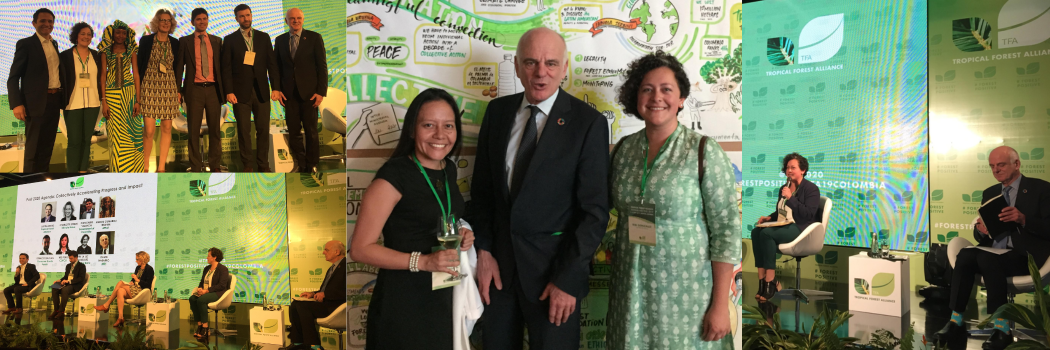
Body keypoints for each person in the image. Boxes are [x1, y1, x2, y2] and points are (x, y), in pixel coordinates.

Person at [467, 27, 609, 350]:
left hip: (554, 280)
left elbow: (594, 213)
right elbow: (483, 194)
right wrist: (485, 251)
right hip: (498, 277)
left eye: (551, 63)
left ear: (565, 67)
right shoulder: (497, 113)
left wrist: (568, 280)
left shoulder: (588, 124)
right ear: (516, 66)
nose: (541, 72)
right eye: (530, 62)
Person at [605, 51, 740, 348]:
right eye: (647, 89)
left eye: (666, 89)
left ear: (681, 99)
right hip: (631, 291)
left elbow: (726, 231)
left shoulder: (703, 150)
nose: (657, 97)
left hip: (687, 297)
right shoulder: (623, 150)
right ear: (636, 97)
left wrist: (720, 305)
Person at [349, 88, 476, 350]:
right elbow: (360, 249)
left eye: (448, 126)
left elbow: (437, 218)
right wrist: (424, 261)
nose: (440, 135)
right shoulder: (394, 176)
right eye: (429, 125)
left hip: (443, 299)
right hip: (403, 305)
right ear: (411, 130)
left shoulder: (447, 169)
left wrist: (462, 233)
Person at [932, 146, 1050, 350]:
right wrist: (981, 231)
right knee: (966, 254)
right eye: (992, 166)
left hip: (1024, 257)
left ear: (1017, 164)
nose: (996, 170)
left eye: (1001, 165)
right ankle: (955, 321)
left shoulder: (1041, 189)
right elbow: (982, 233)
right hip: (993, 251)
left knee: (986, 258)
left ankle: (1002, 327)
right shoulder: (990, 193)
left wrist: (1023, 219)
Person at [750, 152, 820, 301]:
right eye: (787, 167)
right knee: (756, 232)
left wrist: (790, 198)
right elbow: (782, 211)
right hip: (785, 224)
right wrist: (770, 218)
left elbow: (808, 214)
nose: (789, 170)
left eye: (793, 167)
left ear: (803, 170)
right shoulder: (785, 187)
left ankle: (770, 281)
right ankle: (762, 281)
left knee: (766, 234)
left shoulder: (811, 189)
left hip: (801, 228)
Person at [222, 4, 281, 172]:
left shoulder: (263, 37)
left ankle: (264, 164)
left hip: (262, 91)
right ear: (236, 18)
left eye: (248, 15)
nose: (245, 19)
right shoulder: (230, 39)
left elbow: (272, 64)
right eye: (241, 16)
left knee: (263, 129)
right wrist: (229, 91)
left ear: (251, 15)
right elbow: (226, 68)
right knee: (244, 131)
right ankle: (247, 165)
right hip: (240, 93)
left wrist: (275, 88)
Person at [8, 8, 64, 172]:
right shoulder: (25, 44)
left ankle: (41, 183)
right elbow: (13, 77)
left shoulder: (54, 44)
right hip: (35, 104)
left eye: (50, 21)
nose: (47, 24)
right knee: (33, 150)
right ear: (34, 24)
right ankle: (29, 187)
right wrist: (16, 104)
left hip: (54, 102)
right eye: (43, 21)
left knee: (47, 148)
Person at [274, 8, 327, 173]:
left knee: (311, 131)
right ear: (286, 21)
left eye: (298, 18)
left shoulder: (314, 37)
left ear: (303, 20)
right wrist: (276, 89)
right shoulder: (280, 40)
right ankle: (301, 162)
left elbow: (322, 67)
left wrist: (321, 92)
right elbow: (276, 68)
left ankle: (312, 163)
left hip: (310, 94)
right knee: (294, 131)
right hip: (288, 95)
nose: (295, 21)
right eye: (292, 18)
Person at [175, 8, 225, 172]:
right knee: (193, 131)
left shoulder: (217, 41)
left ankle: (215, 164)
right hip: (193, 90)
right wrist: (178, 90)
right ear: (192, 22)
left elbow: (222, 68)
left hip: (213, 90)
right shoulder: (185, 41)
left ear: (208, 20)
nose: (202, 21)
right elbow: (179, 67)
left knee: (215, 130)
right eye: (198, 19)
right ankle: (196, 165)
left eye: (204, 19)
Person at [98, 20, 144, 173]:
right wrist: (104, 101)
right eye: (118, 32)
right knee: (115, 134)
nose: (121, 35)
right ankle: (117, 169)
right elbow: (103, 75)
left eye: (124, 33)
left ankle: (135, 171)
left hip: (130, 95)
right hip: (111, 95)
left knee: (133, 132)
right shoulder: (106, 50)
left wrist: (138, 100)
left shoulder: (131, 50)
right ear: (112, 33)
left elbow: (136, 75)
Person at [138, 9, 180, 173]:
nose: (165, 23)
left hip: (168, 87)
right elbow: (140, 64)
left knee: (167, 129)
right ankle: (145, 166)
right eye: (162, 20)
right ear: (156, 22)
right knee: (148, 130)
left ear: (172, 23)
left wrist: (178, 90)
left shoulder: (175, 43)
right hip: (148, 86)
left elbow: (178, 68)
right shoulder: (146, 41)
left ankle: (161, 167)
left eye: (168, 20)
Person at [60, 22, 104, 173]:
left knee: (86, 141)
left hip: (93, 103)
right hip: (72, 104)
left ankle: (83, 171)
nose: (86, 37)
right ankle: (72, 173)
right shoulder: (65, 56)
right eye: (82, 34)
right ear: (76, 36)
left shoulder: (96, 55)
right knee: (74, 141)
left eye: (89, 34)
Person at [289, 240, 346, 350]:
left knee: (302, 306)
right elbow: (325, 290)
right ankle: (297, 343)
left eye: (326, 250)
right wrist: (313, 293)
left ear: (337, 252)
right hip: (326, 303)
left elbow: (348, 291)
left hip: (336, 307)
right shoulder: (332, 267)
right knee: (295, 304)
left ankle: (314, 345)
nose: (323, 252)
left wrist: (325, 294)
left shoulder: (345, 266)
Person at [95, 251, 154, 327]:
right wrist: (132, 282)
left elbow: (148, 285)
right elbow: (133, 280)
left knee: (120, 283)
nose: (136, 261)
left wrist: (137, 280)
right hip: (134, 289)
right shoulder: (138, 268)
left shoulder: (149, 269)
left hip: (142, 292)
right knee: (120, 291)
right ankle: (120, 317)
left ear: (142, 260)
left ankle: (106, 305)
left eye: (137, 259)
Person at [189, 248, 230, 339]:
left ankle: (205, 327)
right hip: (205, 292)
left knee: (201, 300)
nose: (207, 257)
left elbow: (222, 286)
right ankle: (200, 326)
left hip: (218, 293)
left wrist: (207, 291)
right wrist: (200, 289)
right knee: (192, 299)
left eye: (208, 256)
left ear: (214, 257)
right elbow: (202, 282)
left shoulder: (223, 269)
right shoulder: (206, 268)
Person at [49, 251, 86, 319]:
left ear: (76, 258)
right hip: (67, 283)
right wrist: (59, 280)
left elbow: (81, 278)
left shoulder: (81, 266)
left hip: (76, 285)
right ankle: (56, 310)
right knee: (54, 288)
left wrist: (69, 281)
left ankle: (61, 311)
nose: (70, 260)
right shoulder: (68, 266)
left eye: (71, 258)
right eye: (69, 258)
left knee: (65, 289)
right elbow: (66, 276)